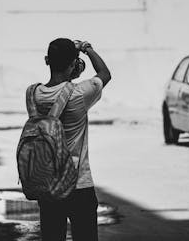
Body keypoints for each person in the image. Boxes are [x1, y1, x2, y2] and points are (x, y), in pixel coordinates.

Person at [31, 38, 111, 241]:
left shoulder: (33, 94)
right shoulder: (79, 93)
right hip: (79, 186)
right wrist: (87, 49)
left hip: (48, 185)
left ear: (46, 60)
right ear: (74, 64)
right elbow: (105, 74)